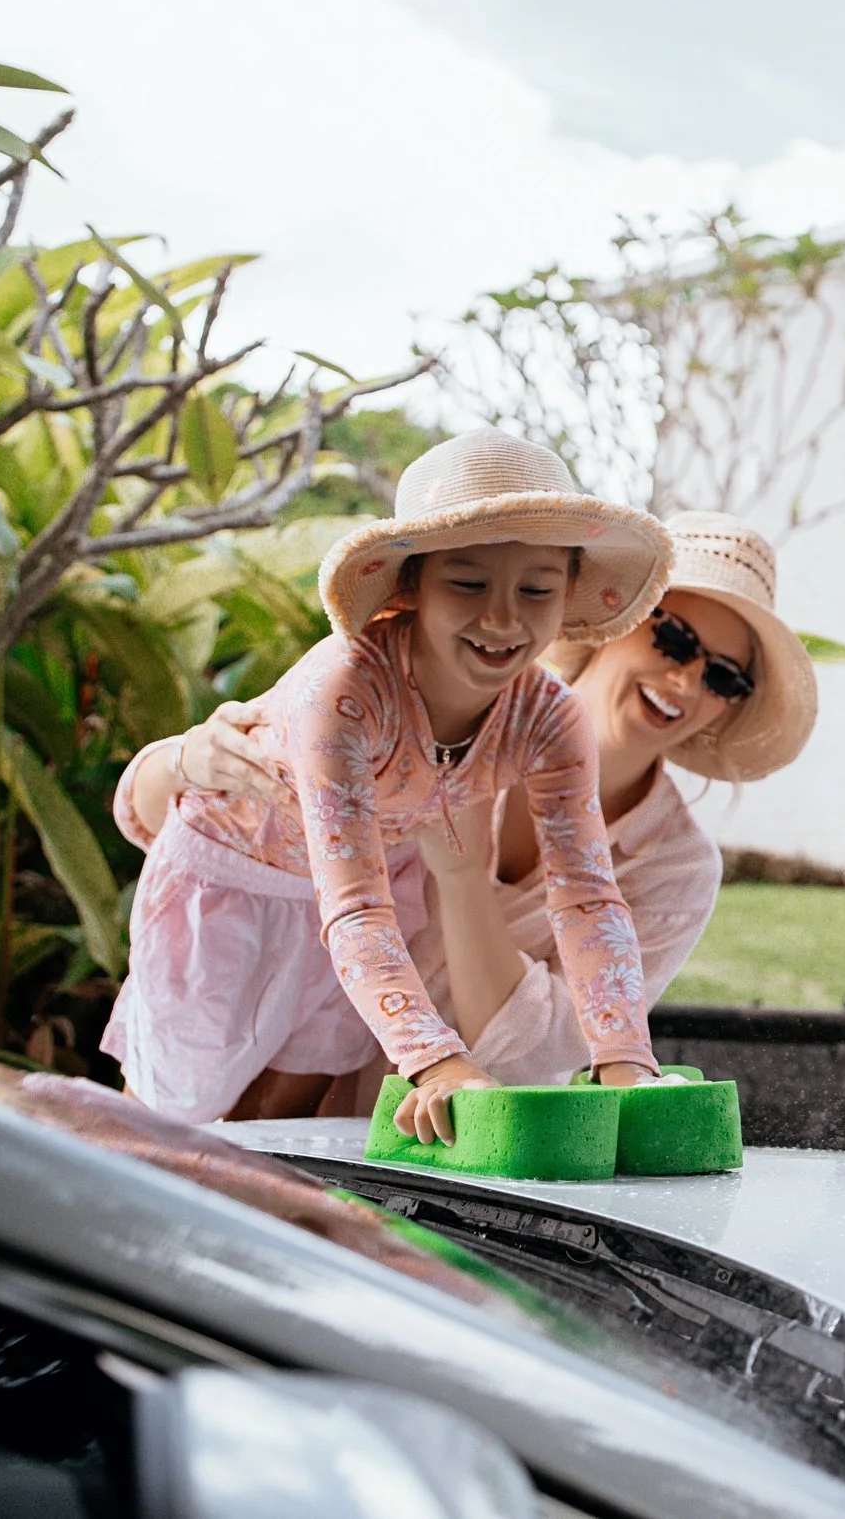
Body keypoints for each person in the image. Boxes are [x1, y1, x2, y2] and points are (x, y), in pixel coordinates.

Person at [116, 513, 818, 1096]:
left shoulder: (631, 818)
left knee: (271, 1149)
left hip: (417, 1122)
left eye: (722, 675)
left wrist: (626, 1058)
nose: (685, 677)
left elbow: (563, 972)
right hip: (284, 928)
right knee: (171, 1123)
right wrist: (176, 758)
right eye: (673, 637)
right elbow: (227, 838)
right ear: (615, 619)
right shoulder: (394, 690)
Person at [101, 429, 671, 1144]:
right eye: (468, 582)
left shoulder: (551, 716)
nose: (503, 617)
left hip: (361, 900)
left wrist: (623, 1058)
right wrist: (436, 1061)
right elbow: (356, 905)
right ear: (411, 585)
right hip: (231, 879)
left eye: (536, 589)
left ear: (567, 597)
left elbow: (586, 894)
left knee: (279, 1131)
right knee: (164, 1117)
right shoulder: (343, 689)